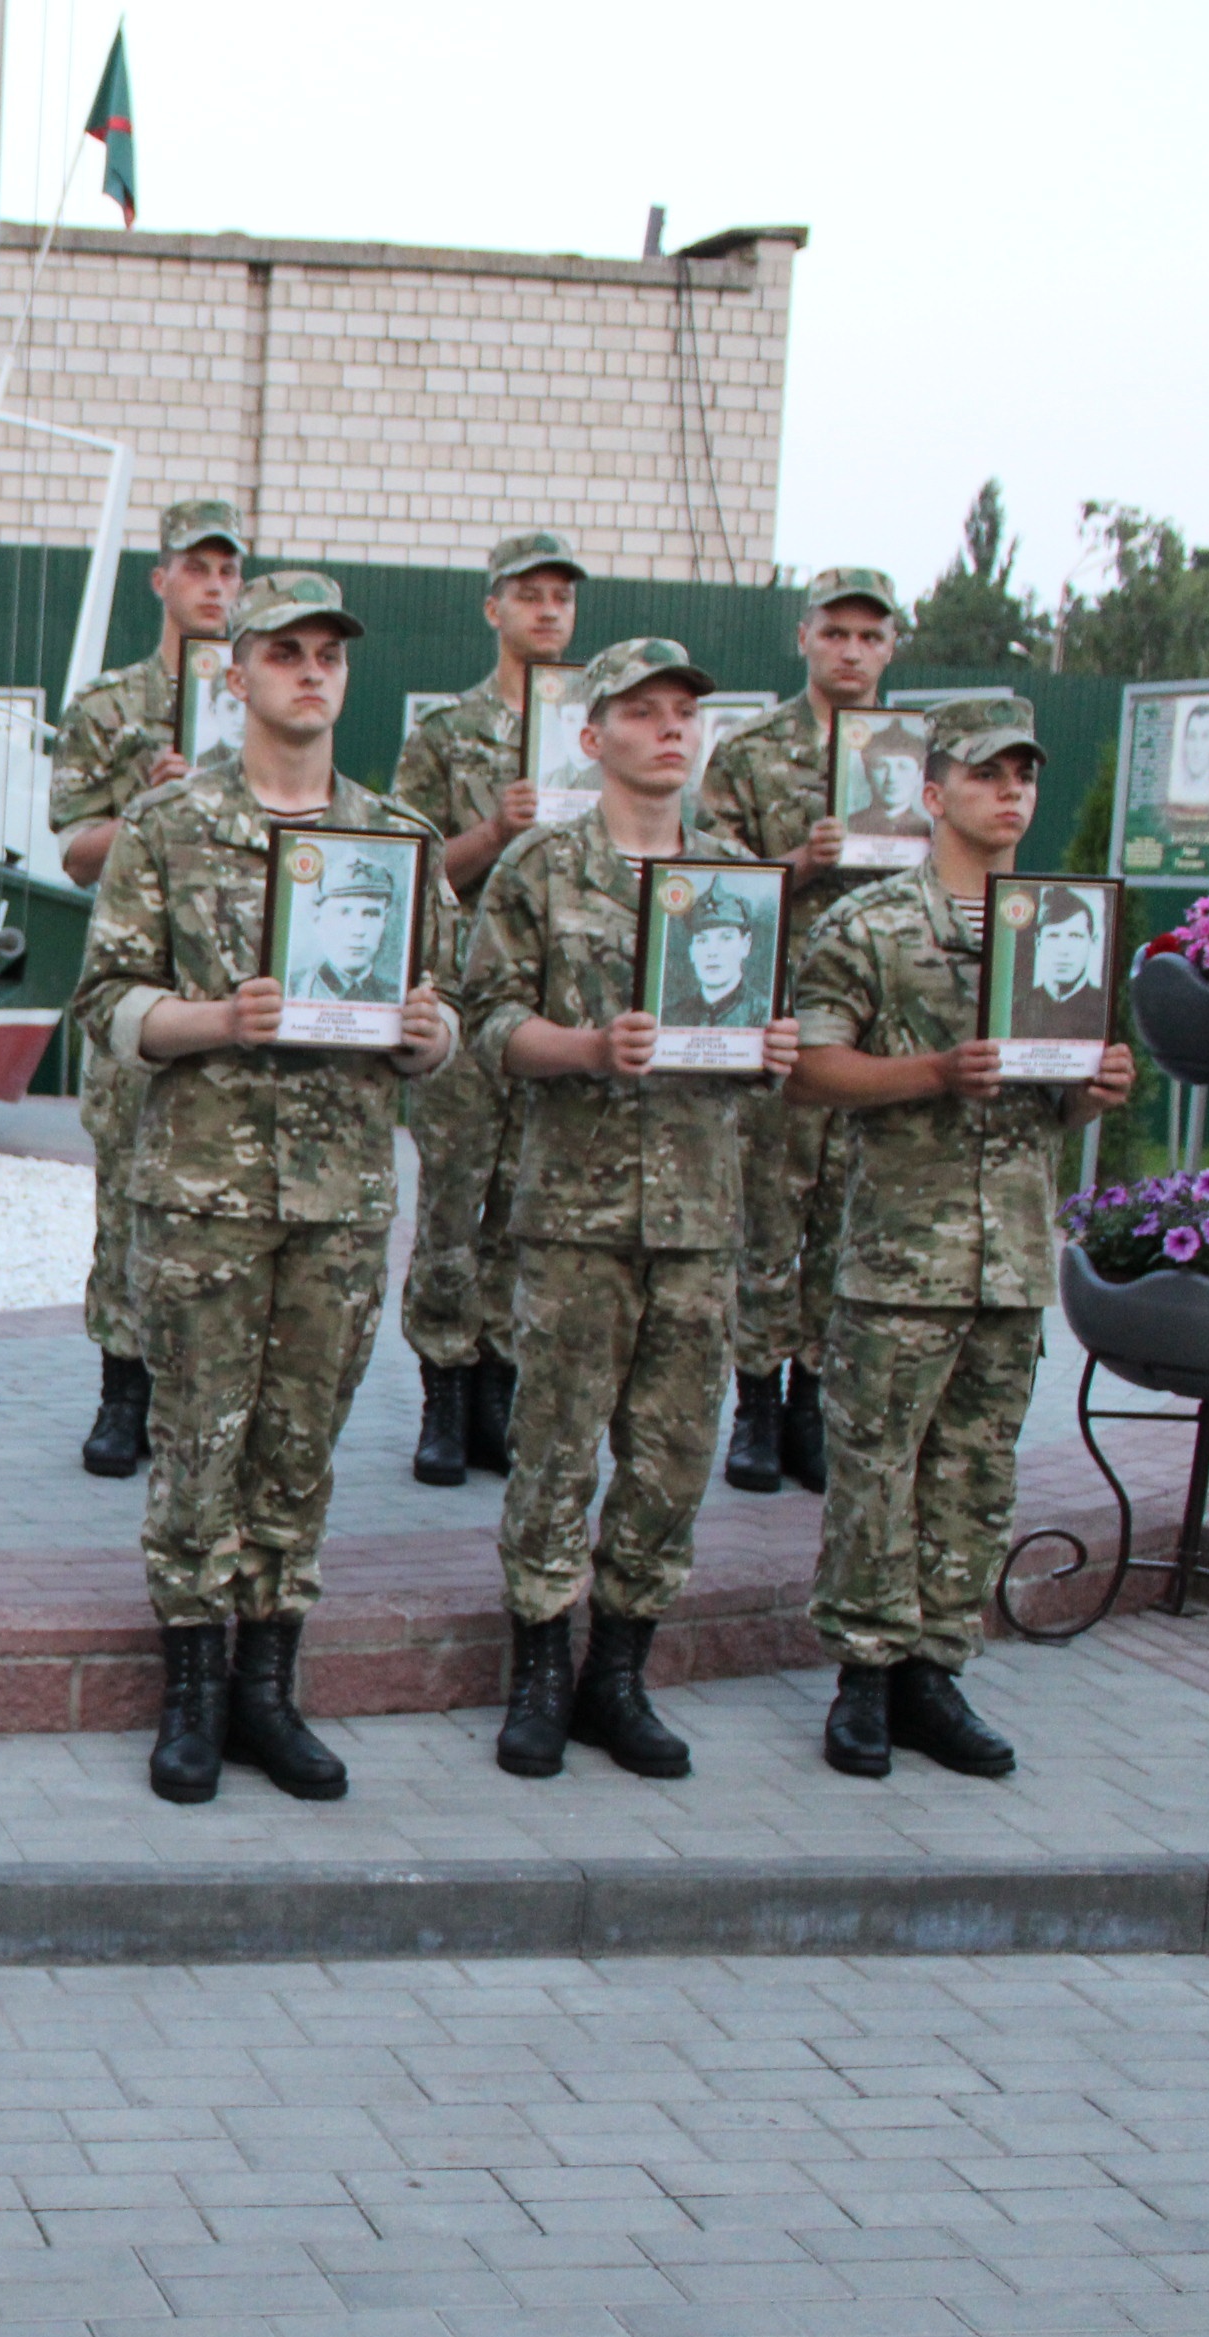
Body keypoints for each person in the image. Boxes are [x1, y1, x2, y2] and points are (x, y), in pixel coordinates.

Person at [70, 571, 458, 1807]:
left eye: (327, 655)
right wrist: (210, 1017)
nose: (308, 671)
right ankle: (188, 1693)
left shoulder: (395, 841)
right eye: (282, 651)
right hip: (205, 1196)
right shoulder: (169, 831)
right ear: (233, 676)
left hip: (341, 1200)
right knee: (199, 1445)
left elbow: (443, 1018)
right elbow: (105, 1006)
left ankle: (268, 1690)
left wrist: (419, 1035)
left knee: (301, 1451)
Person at [458, 639, 800, 1780]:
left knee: (670, 1458)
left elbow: (761, 1028)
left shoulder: (736, 879)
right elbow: (493, 1026)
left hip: (701, 1217)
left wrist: (774, 1049)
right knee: (554, 1447)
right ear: (593, 736)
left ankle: (621, 1674)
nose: (669, 729)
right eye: (643, 712)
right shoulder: (543, 870)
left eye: (684, 714)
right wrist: (593, 1047)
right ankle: (542, 1669)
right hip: (575, 1215)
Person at [788, 696, 1134, 1779]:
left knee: (977, 1476)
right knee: (877, 1467)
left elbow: (1051, 1100)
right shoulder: (874, 924)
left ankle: (936, 1671)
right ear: (934, 793)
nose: (1010, 792)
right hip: (906, 1250)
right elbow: (809, 1067)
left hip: (1015, 1251)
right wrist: (932, 1072)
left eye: (1024, 774)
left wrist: (1096, 1093)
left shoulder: (1063, 923)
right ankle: (863, 1677)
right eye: (988, 774)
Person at [48, 501, 246, 1482]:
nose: (214, 586)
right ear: (160, 579)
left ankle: (195, 1397)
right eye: (197, 568)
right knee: (125, 1192)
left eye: (228, 571)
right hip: (142, 983)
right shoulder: (110, 706)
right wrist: (142, 805)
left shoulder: (264, 698)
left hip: (237, 994)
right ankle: (120, 1393)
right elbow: (75, 855)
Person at [387, 528, 585, 1488]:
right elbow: (413, 869)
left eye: (562, 597)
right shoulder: (445, 735)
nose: (549, 612)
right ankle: (442, 1391)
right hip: (465, 997)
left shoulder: (597, 736)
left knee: (526, 1202)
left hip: (556, 1005)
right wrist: (495, 829)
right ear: (493, 608)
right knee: (455, 1203)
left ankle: (498, 1384)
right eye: (531, 595)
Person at [700, 567, 904, 1495]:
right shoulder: (749, 752)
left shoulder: (917, 759)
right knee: (768, 1215)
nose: (851, 652)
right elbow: (706, 894)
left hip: (877, 1025)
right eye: (836, 634)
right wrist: (800, 861)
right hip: (780, 1018)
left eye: (869, 637)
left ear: (891, 646)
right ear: (805, 639)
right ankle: (755, 1403)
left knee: (844, 1215)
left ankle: (812, 1397)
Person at [280, 854, 405, 1007]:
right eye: (344, 913)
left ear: (384, 921)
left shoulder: (398, 998)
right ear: (318, 920)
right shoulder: (289, 989)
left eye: (371, 914)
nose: (359, 930)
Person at [661, 882, 772, 1028]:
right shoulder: (669, 1018)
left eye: (726, 938)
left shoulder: (765, 1015)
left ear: (746, 944)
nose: (712, 952)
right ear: (691, 951)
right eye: (702, 940)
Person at [1031, 887, 1106, 1005]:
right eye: (1053, 936)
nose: (1063, 950)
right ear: (1038, 943)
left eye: (1075, 936)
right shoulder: (1017, 1008)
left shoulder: (1105, 1004)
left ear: (1092, 942)